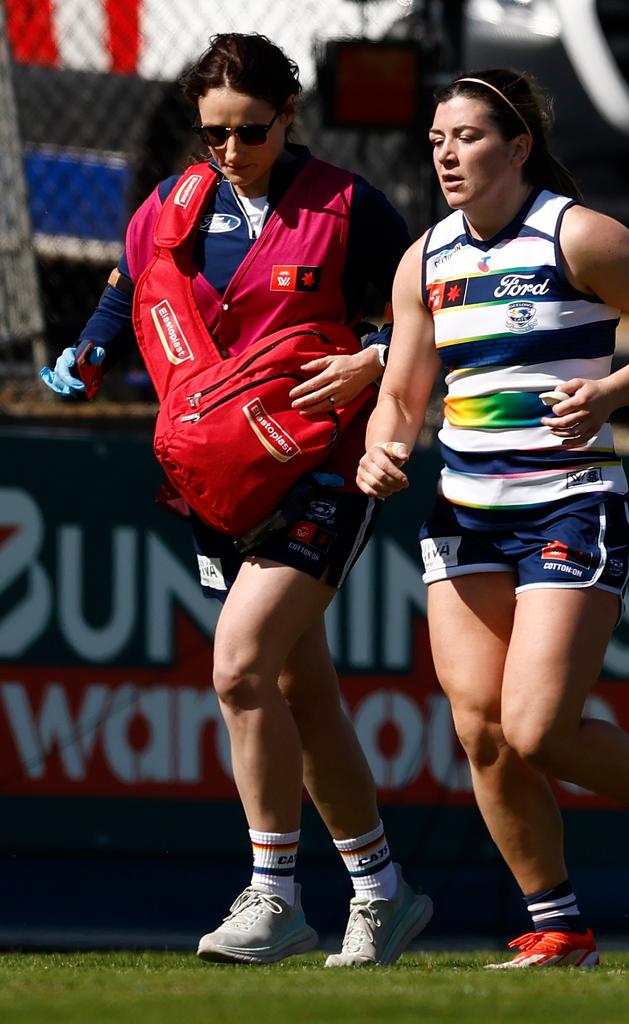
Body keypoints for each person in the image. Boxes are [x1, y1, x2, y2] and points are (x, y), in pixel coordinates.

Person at [40, 32, 432, 967]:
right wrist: (88, 352)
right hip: (218, 480)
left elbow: (426, 314)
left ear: (288, 116)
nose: (228, 151)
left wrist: (370, 362)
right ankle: (382, 892)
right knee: (302, 689)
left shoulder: (348, 207)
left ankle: (274, 894)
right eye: (211, 133)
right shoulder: (175, 209)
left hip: (325, 471)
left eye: (249, 132)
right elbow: (128, 286)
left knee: (239, 667)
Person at [357, 68, 629, 968]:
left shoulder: (576, 233)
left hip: (570, 505)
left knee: (535, 728)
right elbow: (404, 391)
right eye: (439, 139)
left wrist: (609, 393)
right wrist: (383, 443)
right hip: (463, 516)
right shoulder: (426, 258)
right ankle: (558, 927)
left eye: (470, 138)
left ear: (518, 147)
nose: (448, 154)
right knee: (480, 730)